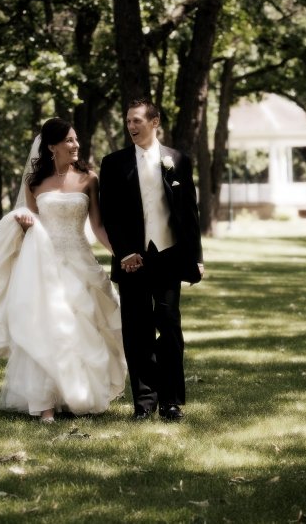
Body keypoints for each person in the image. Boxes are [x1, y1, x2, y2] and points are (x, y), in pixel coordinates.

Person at [0, 117, 126, 423]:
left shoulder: (89, 179)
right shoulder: (34, 182)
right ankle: (45, 404)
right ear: (52, 146)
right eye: (69, 140)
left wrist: (120, 253)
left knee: (81, 327)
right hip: (45, 263)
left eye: (76, 139)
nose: (76, 145)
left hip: (80, 261)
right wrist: (24, 222)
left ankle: (77, 395)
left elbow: (97, 227)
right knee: (47, 325)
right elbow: (31, 223)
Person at [99, 98, 203, 421]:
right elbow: (110, 214)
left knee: (169, 325)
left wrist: (196, 257)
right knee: (137, 330)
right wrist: (125, 251)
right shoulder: (113, 163)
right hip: (133, 260)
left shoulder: (178, 160)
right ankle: (144, 403)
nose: (131, 126)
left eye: (137, 121)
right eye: (128, 121)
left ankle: (171, 402)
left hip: (169, 254)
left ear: (154, 122)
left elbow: (189, 212)